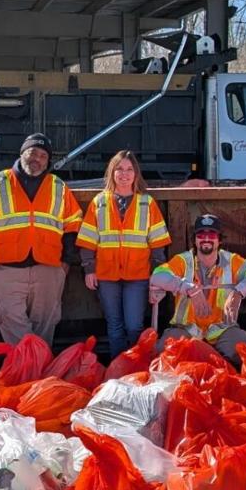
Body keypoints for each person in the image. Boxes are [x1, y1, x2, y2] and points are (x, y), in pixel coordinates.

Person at [0, 133, 82, 347]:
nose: (37, 159)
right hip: (7, 272)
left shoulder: (58, 186)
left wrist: (64, 266)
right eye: (32, 152)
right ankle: (25, 373)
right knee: (13, 329)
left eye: (43, 155)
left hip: (48, 270)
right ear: (22, 153)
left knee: (44, 332)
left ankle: (38, 378)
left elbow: (73, 227)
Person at [77, 150, 171, 357]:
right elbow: (87, 240)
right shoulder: (99, 202)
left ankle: (137, 365)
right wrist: (89, 269)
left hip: (138, 276)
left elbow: (158, 245)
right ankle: (117, 368)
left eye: (129, 169)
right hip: (106, 274)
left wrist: (156, 276)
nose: (124, 174)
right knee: (114, 325)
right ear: (112, 173)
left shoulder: (146, 203)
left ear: (136, 174)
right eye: (119, 169)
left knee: (134, 325)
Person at [149, 212, 246, 364]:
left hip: (222, 329)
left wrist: (239, 292)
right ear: (194, 240)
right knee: (165, 351)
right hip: (186, 329)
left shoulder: (232, 261)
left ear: (219, 240)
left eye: (212, 235)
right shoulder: (183, 261)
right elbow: (157, 276)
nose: (206, 239)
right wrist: (189, 289)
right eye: (201, 235)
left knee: (243, 352)